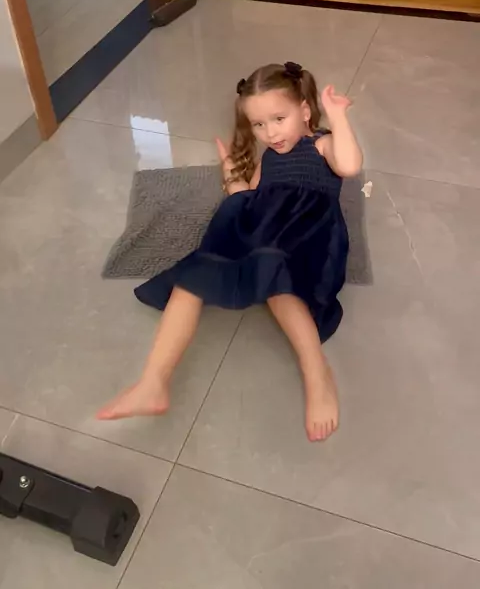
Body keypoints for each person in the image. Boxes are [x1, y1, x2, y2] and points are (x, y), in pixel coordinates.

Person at [97, 62, 363, 441]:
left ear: (305, 111)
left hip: (305, 235)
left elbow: (349, 164)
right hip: (260, 228)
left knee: (279, 283)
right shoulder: (269, 158)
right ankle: (152, 381)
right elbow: (249, 196)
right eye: (259, 125)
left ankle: (317, 373)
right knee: (193, 277)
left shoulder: (320, 144)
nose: (271, 133)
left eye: (279, 119)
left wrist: (337, 117)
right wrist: (229, 174)